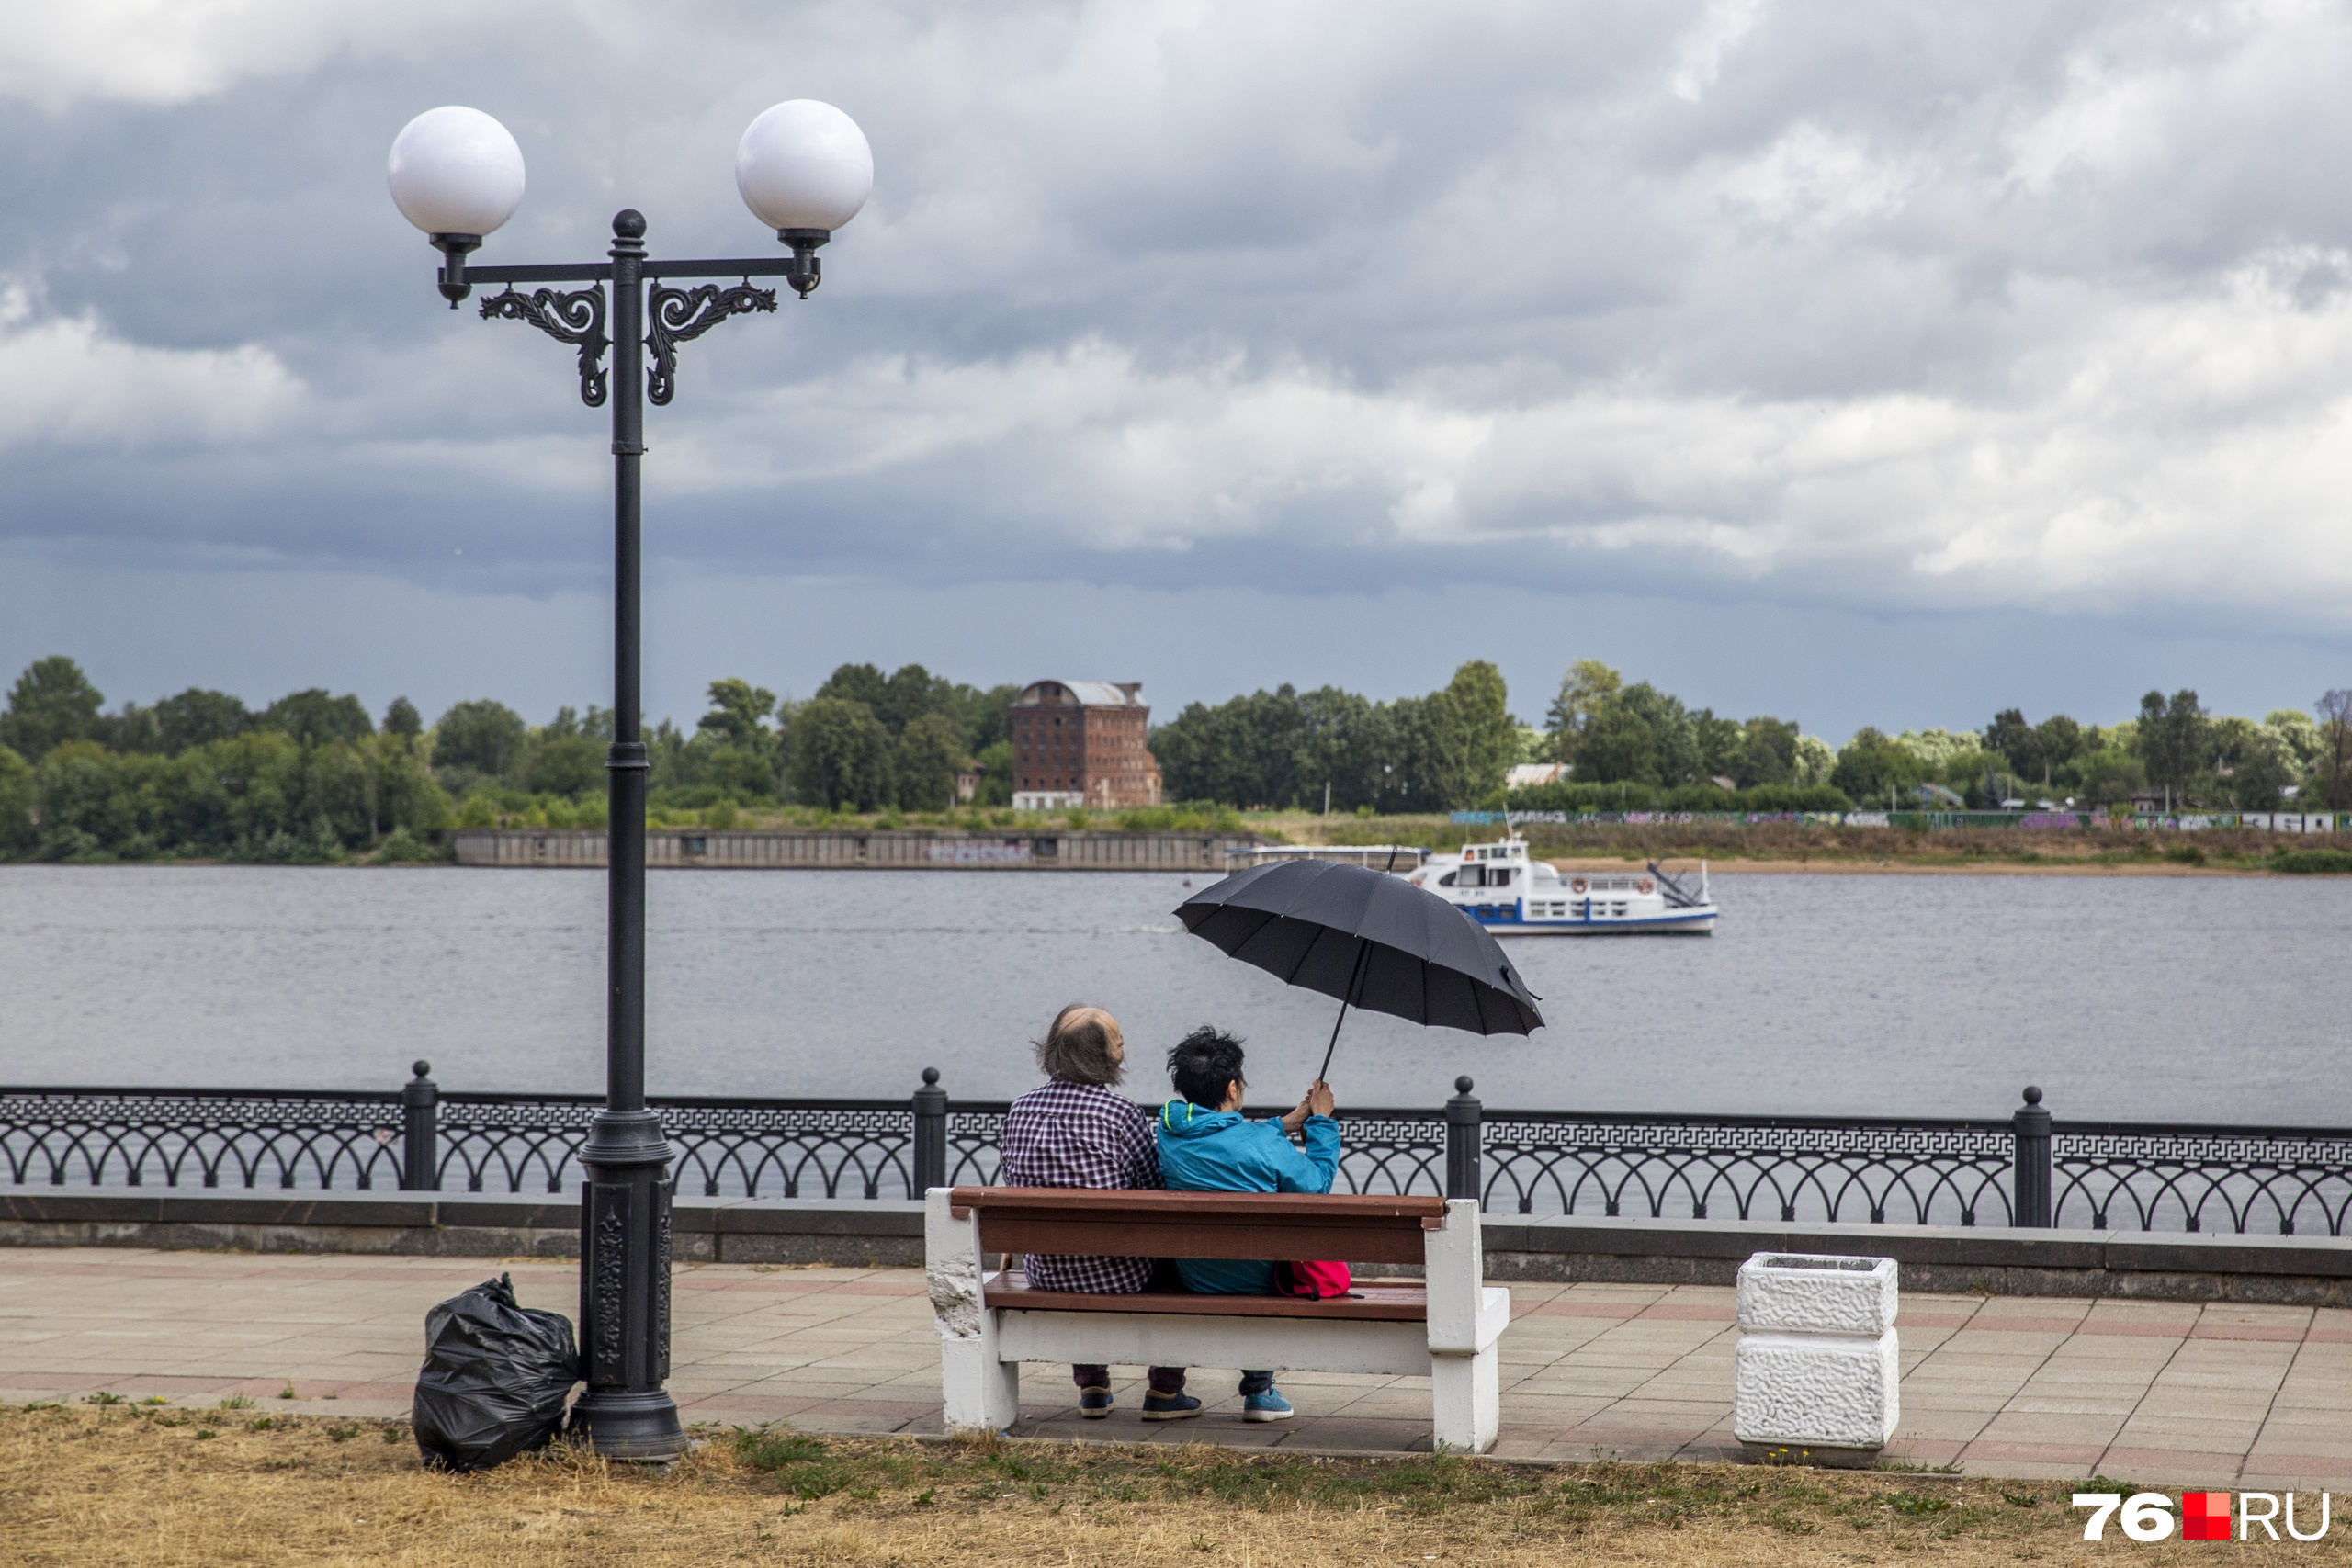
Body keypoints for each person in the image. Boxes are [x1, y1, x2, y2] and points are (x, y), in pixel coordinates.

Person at [994, 1004, 1201, 1422]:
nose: (1123, 1044)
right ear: (1098, 1055)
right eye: (1117, 1039)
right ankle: (1165, 1389)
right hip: (1119, 1274)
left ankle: (1092, 1385)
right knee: (1180, 1265)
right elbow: (1154, 1193)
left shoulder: (1020, 1110)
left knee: (1075, 1245)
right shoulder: (1120, 1113)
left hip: (1046, 1270)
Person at [1154, 1025, 1339, 1423]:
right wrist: (1320, 1122)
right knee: (1262, 1263)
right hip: (1256, 1279)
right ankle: (1259, 1390)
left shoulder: (1168, 1131)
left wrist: (1287, 1121)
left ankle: (1164, 1385)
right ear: (1234, 1088)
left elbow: (1226, 1135)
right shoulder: (1262, 1145)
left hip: (1192, 1274)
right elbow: (1317, 1187)